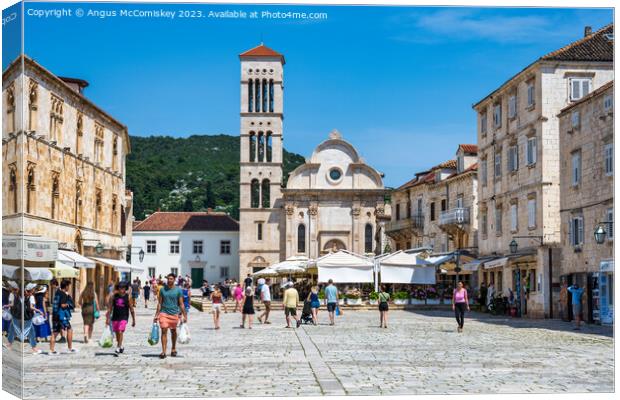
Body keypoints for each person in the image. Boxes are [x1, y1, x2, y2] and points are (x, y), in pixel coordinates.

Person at [154, 273, 187, 359]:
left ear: (174, 279)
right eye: (168, 278)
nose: (169, 280)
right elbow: (160, 303)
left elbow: (181, 304)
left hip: (174, 314)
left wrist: (185, 315)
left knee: (173, 331)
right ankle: (164, 351)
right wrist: (156, 315)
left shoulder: (178, 290)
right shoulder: (162, 290)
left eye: (171, 279)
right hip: (164, 313)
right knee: (164, 330)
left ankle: (173, 348)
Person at [7, 283, 42, 354]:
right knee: (27, 332)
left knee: (14, 329)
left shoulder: (19, 295)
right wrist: (39, 311)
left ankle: (9, 345)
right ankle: (33, 348)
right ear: (32, 290)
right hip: (26, 317)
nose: (34, 289)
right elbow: (31, 308)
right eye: (34, 288)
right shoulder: (31, 297)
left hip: (17, 315)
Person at [106, 282, 136, 355]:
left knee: (120, 331)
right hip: (115, 317)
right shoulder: (114, 296)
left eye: (122, 288)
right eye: (119, 288)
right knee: (117, 334)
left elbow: (131, 309)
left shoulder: (128, 297)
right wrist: (107, 318)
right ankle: (121, 346)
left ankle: (118, 347)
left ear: (125, 289)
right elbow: (110, 308)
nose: (121, 289)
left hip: (124, 317)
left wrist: (133, 320)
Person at [49, 280, 77, 354]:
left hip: (55, 315)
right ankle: (70, 348)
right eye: (69, 286)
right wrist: (68, 304)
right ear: (66, 286)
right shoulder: (63, 294)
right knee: (69, 329)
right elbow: (62, 305)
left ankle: (51, 350)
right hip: (61, 316)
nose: (69, 287)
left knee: (55, 332)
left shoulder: (57, 292)